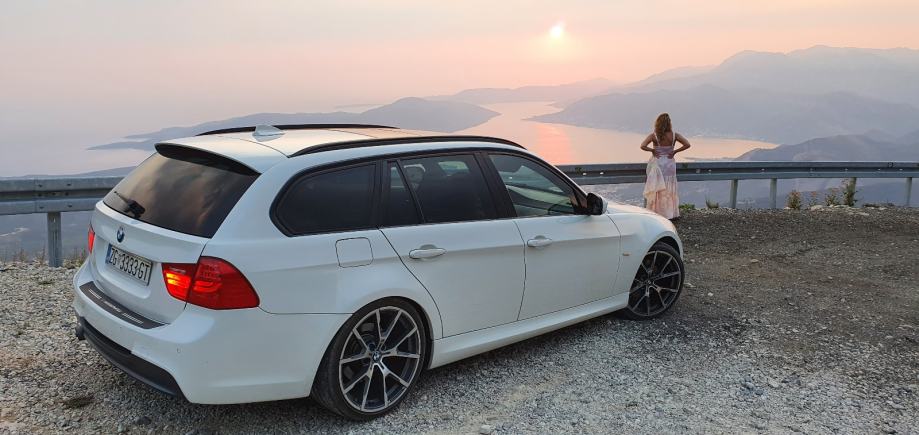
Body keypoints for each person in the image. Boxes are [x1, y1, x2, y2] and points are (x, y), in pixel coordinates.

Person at [640, 113, 691, 219]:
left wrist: (652, 150)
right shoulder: (675, 135)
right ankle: (670, 213)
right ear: (669, 123)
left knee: (658, 188)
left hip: (658, 164)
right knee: (669, 188)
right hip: (670, 164)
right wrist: (675, 151)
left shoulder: (654, 136)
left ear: (658, 123)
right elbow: (687, 144)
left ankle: (657, 213)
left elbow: (643, 146)